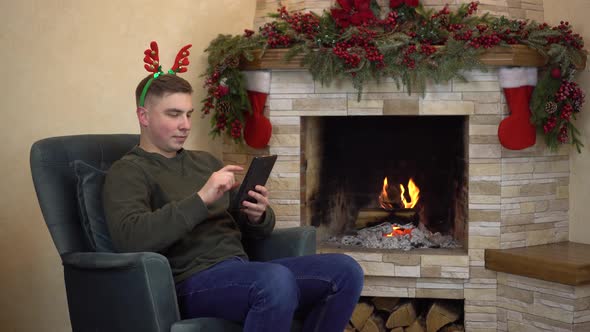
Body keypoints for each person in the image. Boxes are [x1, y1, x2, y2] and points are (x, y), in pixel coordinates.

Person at [103, 43, 364, 332]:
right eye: (174, 114)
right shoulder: (128, 171)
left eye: (189, 114)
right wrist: (201, 198)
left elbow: (243, 226)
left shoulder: (204, 162)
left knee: (345, 271)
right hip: (190, 281)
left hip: (239, 270)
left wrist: (258, 215)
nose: (185, 125)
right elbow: (130, 239)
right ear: (144, 116)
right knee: (274, 281)